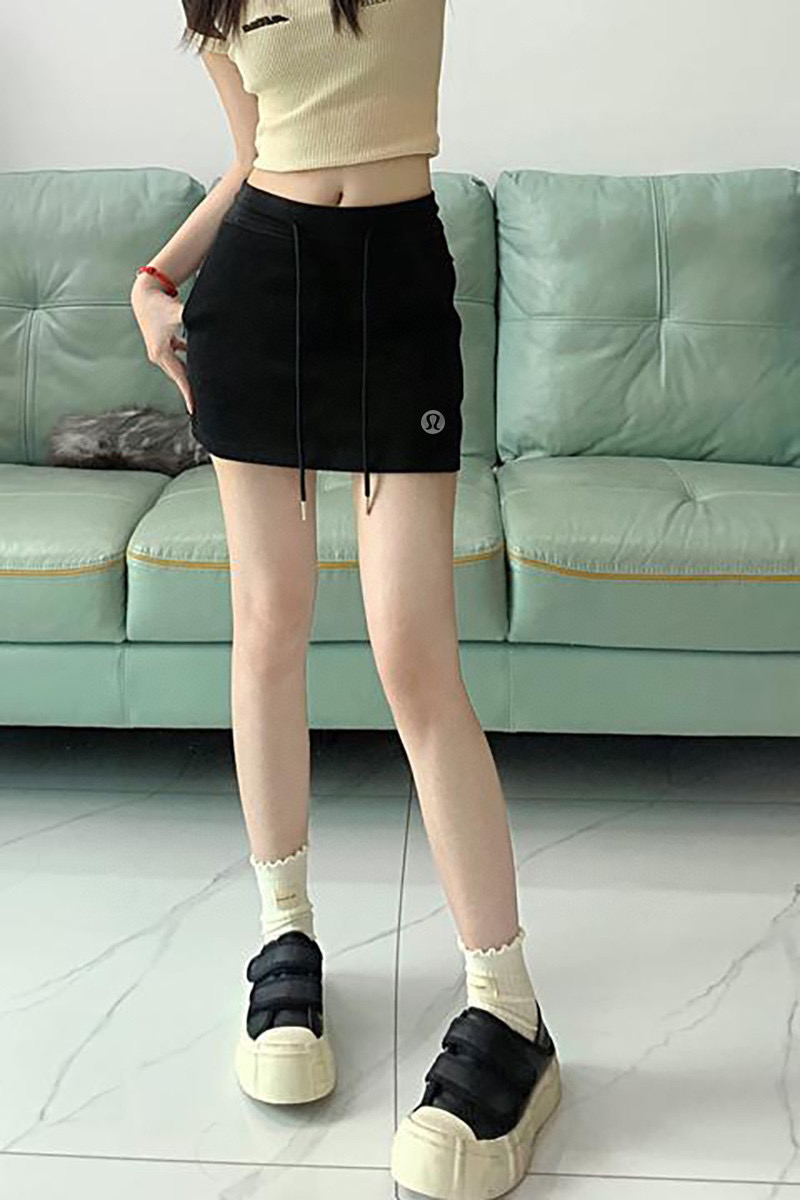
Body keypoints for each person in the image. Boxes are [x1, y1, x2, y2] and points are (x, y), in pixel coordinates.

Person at [130, 2, 561, 1195]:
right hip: (256, 292)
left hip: (394, 292)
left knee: (413, 659)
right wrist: (156, 278)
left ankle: (507, 1003)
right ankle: (285, 934)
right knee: (268, 626)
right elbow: (251, 155)